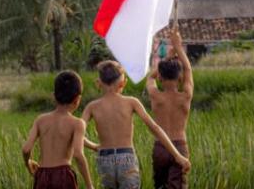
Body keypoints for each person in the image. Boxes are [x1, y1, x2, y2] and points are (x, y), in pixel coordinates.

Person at [82, 60, 190, 189]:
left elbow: (77, 134)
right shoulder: (131, 102)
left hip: (105, 159)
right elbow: (155, 128)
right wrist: (177, 155)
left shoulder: (92, 107)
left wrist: (94, 146)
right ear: (123, 83)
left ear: (98, 84)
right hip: (126, 158)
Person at [22, 70, 94, 189]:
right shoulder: (77, 123)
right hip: (63, 176)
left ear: (53, 96)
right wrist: (89, 185)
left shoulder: (40, 120)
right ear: (77, 100)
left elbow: (26, 149)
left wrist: (28, 163)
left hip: (42, 175)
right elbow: (78, 154)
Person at [147, 28, 193, 189]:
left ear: (160, 76)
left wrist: (167, 55)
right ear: (179, 77)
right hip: (179, 146)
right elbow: (188, 69)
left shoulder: (155, 95)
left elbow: (150, 77)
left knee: (159, 186)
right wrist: (178, 47)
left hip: (160, 146)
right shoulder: (185, 96)